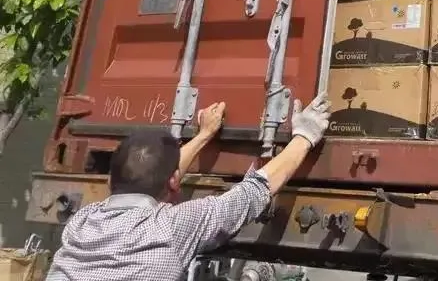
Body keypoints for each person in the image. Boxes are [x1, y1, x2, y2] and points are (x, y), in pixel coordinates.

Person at [46, 94, 331, 281]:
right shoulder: (172, 228)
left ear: (110, 181)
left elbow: (158, 177)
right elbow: (251, 193)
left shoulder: (80, 224)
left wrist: (204, 136)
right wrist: (305, 135)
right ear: (173, 181)